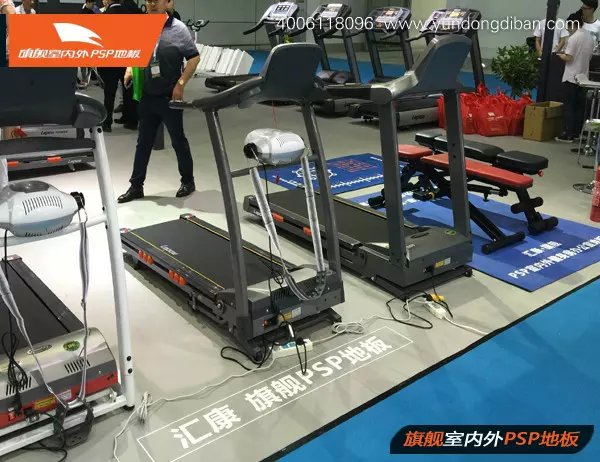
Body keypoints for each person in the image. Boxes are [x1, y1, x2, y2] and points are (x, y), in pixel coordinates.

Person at [118, 0, 200, 203]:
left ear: (168, 3)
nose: (152, 3)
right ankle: (136, 186)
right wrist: (129, 69)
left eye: (157, 0)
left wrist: (180, 84)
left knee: (178, 141)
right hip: (147, 96)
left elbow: (193, 59)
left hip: (169, 97)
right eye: (149, 0)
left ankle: (188, 181)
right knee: (143, 143)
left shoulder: (178, 29)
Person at [97, 0, 138, 132]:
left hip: (110, 61)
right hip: (127, 60)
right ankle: (131, 120)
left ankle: (107, 123)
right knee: (129, 92)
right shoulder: (130, 15)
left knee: (109, 93)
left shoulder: (104, 16)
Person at [556, 10, 595, 142]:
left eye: (568, 26)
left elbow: (569, 58)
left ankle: (568, 133)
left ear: (573, 24)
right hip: (583, 78)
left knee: (569, 107)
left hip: (571, 77)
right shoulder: (589, 37)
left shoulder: (574, 38)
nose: (568, 29)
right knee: (579, 108)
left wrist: (560, 55)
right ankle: (577, 133)